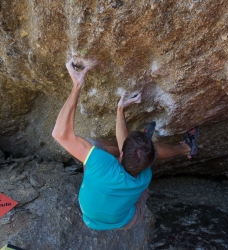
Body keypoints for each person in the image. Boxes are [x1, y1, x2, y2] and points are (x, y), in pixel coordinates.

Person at [52, 58, 199, 230]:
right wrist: (120, 110)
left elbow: (60, 134)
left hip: (91, 218)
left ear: (121, 155)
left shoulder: (102, 163)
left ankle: (156, 147)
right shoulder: (145, 176)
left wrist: (77, 86)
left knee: (92, 146)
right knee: (141, 188)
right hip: (125, 221)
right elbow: (125, 147)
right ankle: (185, 148)